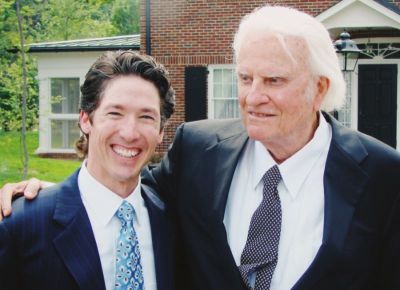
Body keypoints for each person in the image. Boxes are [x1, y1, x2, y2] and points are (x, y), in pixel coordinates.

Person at [1, 6, 400, 290]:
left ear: (320, 88)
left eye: (274, 81)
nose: (252, 97)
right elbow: (119, 191)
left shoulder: (384, 175)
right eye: (244, 78)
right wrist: (40, 196)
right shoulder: (199, 150)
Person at [0, 50, 176, 290]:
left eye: (146, 117)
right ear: (85, 119)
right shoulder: (21, 226)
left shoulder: (175, 222)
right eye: (115, 113)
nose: (130, 133)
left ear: (160, 132)